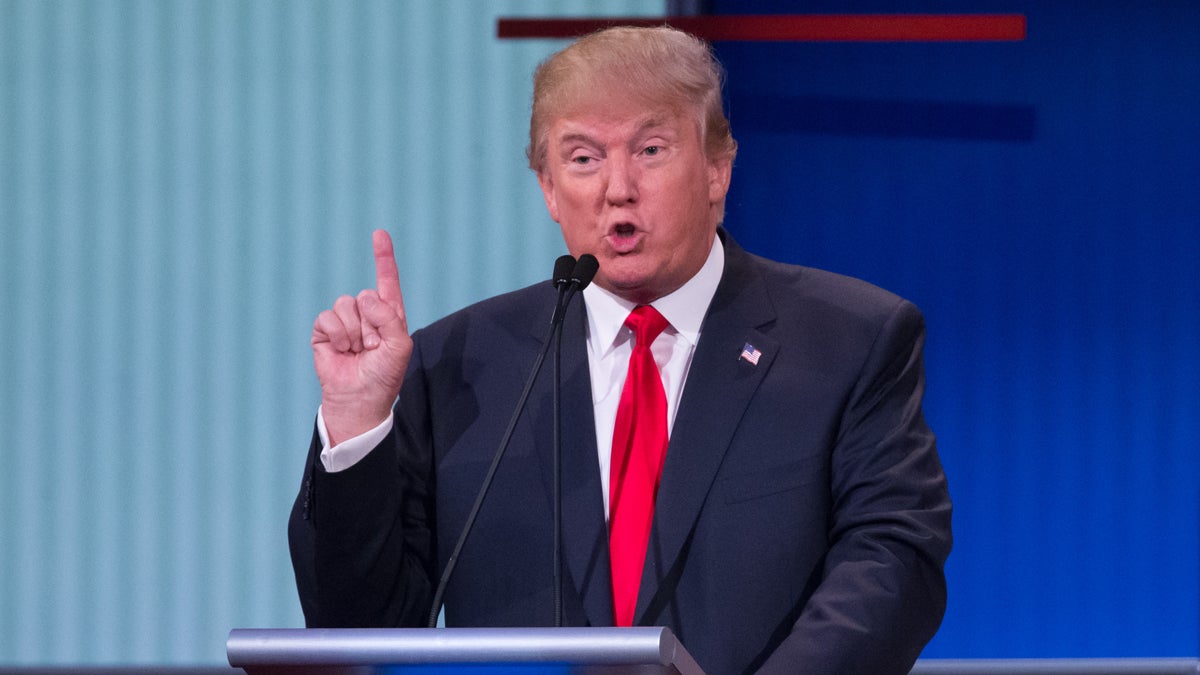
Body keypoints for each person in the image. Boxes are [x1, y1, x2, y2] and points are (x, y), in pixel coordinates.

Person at [289, 25, 952, 674]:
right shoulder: (459, 364)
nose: (617, 188)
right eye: (582, 158)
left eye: (651, 149)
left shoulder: (849, 340)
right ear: (549, 188)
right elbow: (358, 628)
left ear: (718, 169)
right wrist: (354, 422)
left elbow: (893, 562)